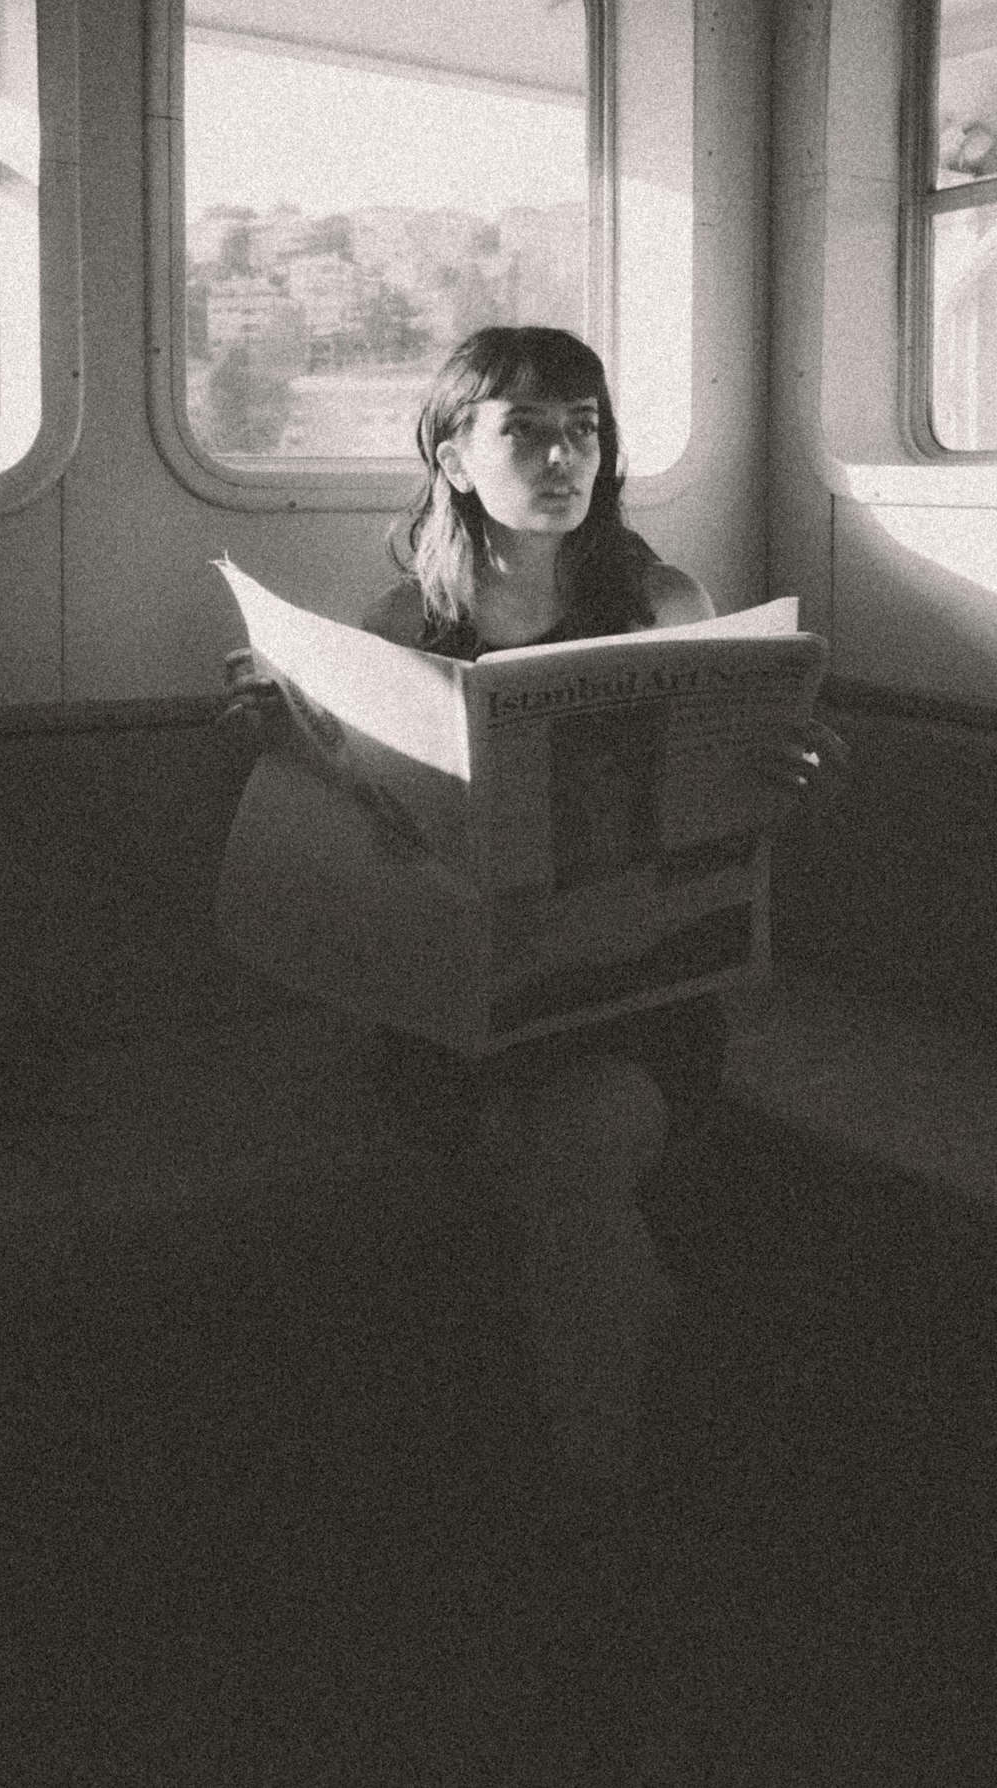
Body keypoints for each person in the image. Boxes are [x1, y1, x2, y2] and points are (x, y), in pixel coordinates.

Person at [222, 326, 847, 1502]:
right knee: (567, 1177)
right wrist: (292, 742)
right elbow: (375, 838)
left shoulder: (664, 601)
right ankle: (635, 1430)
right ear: (455, 457)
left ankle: (597, 1490)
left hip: (634, 994)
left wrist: (792, 773)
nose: (565, 455)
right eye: (527, 429)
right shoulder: (403, 625)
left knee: (570, 1147)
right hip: (453, 1004)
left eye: (584, 427)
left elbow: (723, 820)